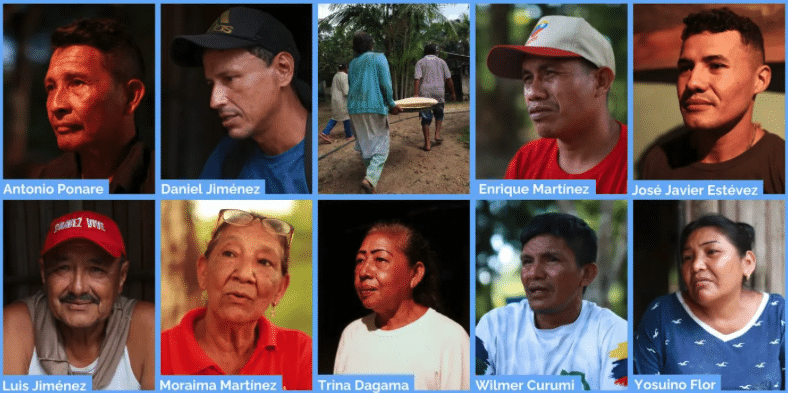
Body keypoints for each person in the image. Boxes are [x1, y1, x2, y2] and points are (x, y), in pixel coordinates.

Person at [3, 211, 155, 390]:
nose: (78, 287)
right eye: (63, 268)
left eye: (96, 269)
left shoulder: (147, 326)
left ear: (121, 277)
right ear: (44, 273)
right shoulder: (14, 324)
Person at [639, 8, 785, 194]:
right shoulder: (659, 162)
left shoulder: (780, 166)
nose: (692, 82)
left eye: (716, 65)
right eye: (686, 67)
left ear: (760, 80)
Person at [161, 209, 311, 389]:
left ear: (280, 288)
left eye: (264, 261)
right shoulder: (159, 352)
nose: (244, 274)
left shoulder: (300, 353)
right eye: (230, 254)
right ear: (203, 271)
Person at [476, 213, 627, 389]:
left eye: (551, 260)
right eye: (527, 261)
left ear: (587, 274)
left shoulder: (614, 334)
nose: (534, 273)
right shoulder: (494, 327)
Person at [634, 215, 784, 390]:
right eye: (688, 257)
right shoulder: (661, 314)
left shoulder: (778, 314)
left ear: (747, 263)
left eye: (712, 252)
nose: (696, 265)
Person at [171, 6, 311, 194]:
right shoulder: (228, 159)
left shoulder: (316, 162)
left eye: (229, 78)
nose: (215, 101)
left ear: (282, 69)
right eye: (211, 83)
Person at [486, 15, 627, 194]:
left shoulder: (637, 164)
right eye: (527, 79)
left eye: (550, 73)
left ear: (600, 81)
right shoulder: (525, 162)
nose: (533, 93)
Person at [334, 222, 469, 390]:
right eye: (360, 260)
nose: (363, 271)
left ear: (415, 273)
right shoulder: (352, 334)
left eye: (380, 259)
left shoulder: (450, 338)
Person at [38, 19, 154, 194]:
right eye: (51, 87)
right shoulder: (49, 179)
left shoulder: (158, 179)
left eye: (77, 83)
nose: (55, 105)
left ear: (131, 97)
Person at [347, 31, 403, 194]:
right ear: (371, 44)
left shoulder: (353, 64)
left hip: (354, 108)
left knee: (365, 143)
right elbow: (385, 83)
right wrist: (391, 104)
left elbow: (351, 85)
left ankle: (369, 176)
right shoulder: (378, 58)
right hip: (373, 107)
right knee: (382, 146)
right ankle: (370, 178)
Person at [413, 43, 456, 151]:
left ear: (425, 52)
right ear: (436, 52)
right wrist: (453, 93)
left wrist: (416, 95)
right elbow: (449, 79)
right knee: (439, 114)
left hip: (425, 93)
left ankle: (427, 144)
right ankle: (437, 135)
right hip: (439, 92)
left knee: (426, 118)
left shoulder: (420, 62)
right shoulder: (442, 62)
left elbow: (417, 79)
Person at [320, 64, 353, 144]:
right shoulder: (344, 76)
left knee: (335, 117)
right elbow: (346, 91)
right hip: (342, 100)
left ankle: (325, 132)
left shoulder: (336, 76)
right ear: (346, 68)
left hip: (335, 100)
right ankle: (349, 136)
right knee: (346, 117)